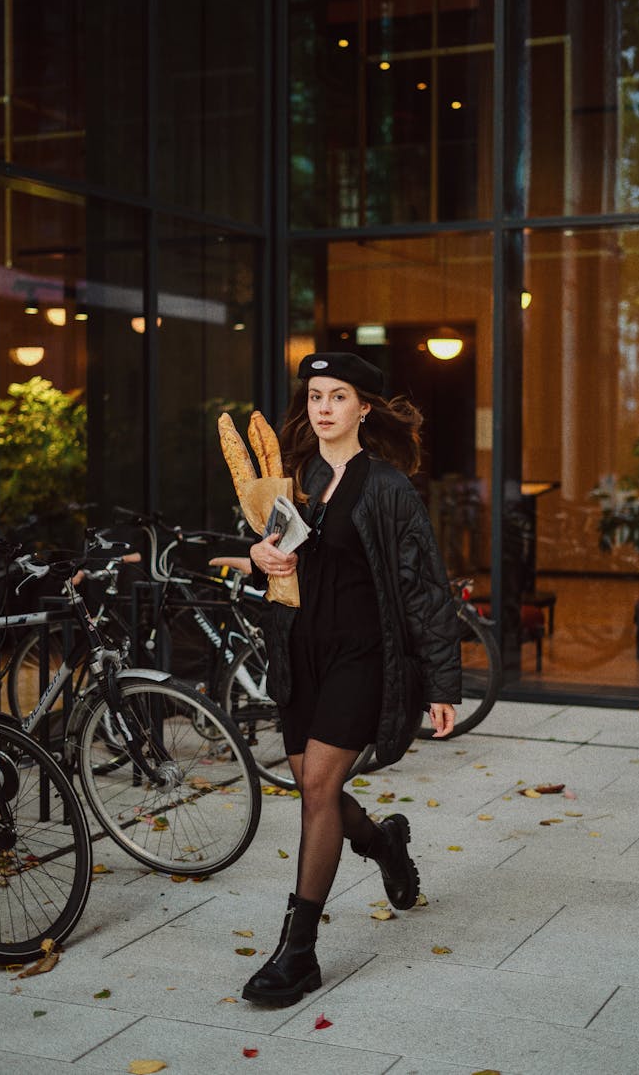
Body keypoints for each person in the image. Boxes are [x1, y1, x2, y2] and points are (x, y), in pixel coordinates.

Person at [242, 351, 461, 1007]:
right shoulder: (296, 477)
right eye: (315, 395)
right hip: (301, 652)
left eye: (338, 395)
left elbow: (425, 587)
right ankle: (384, 842)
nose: (324, 406)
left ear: (364, 406)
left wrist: (444, 681)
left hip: (363, 655)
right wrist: (258, 554)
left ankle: (298, 951)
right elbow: (274, 561)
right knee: (321, 794)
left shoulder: (388, 487)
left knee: (316, 784)